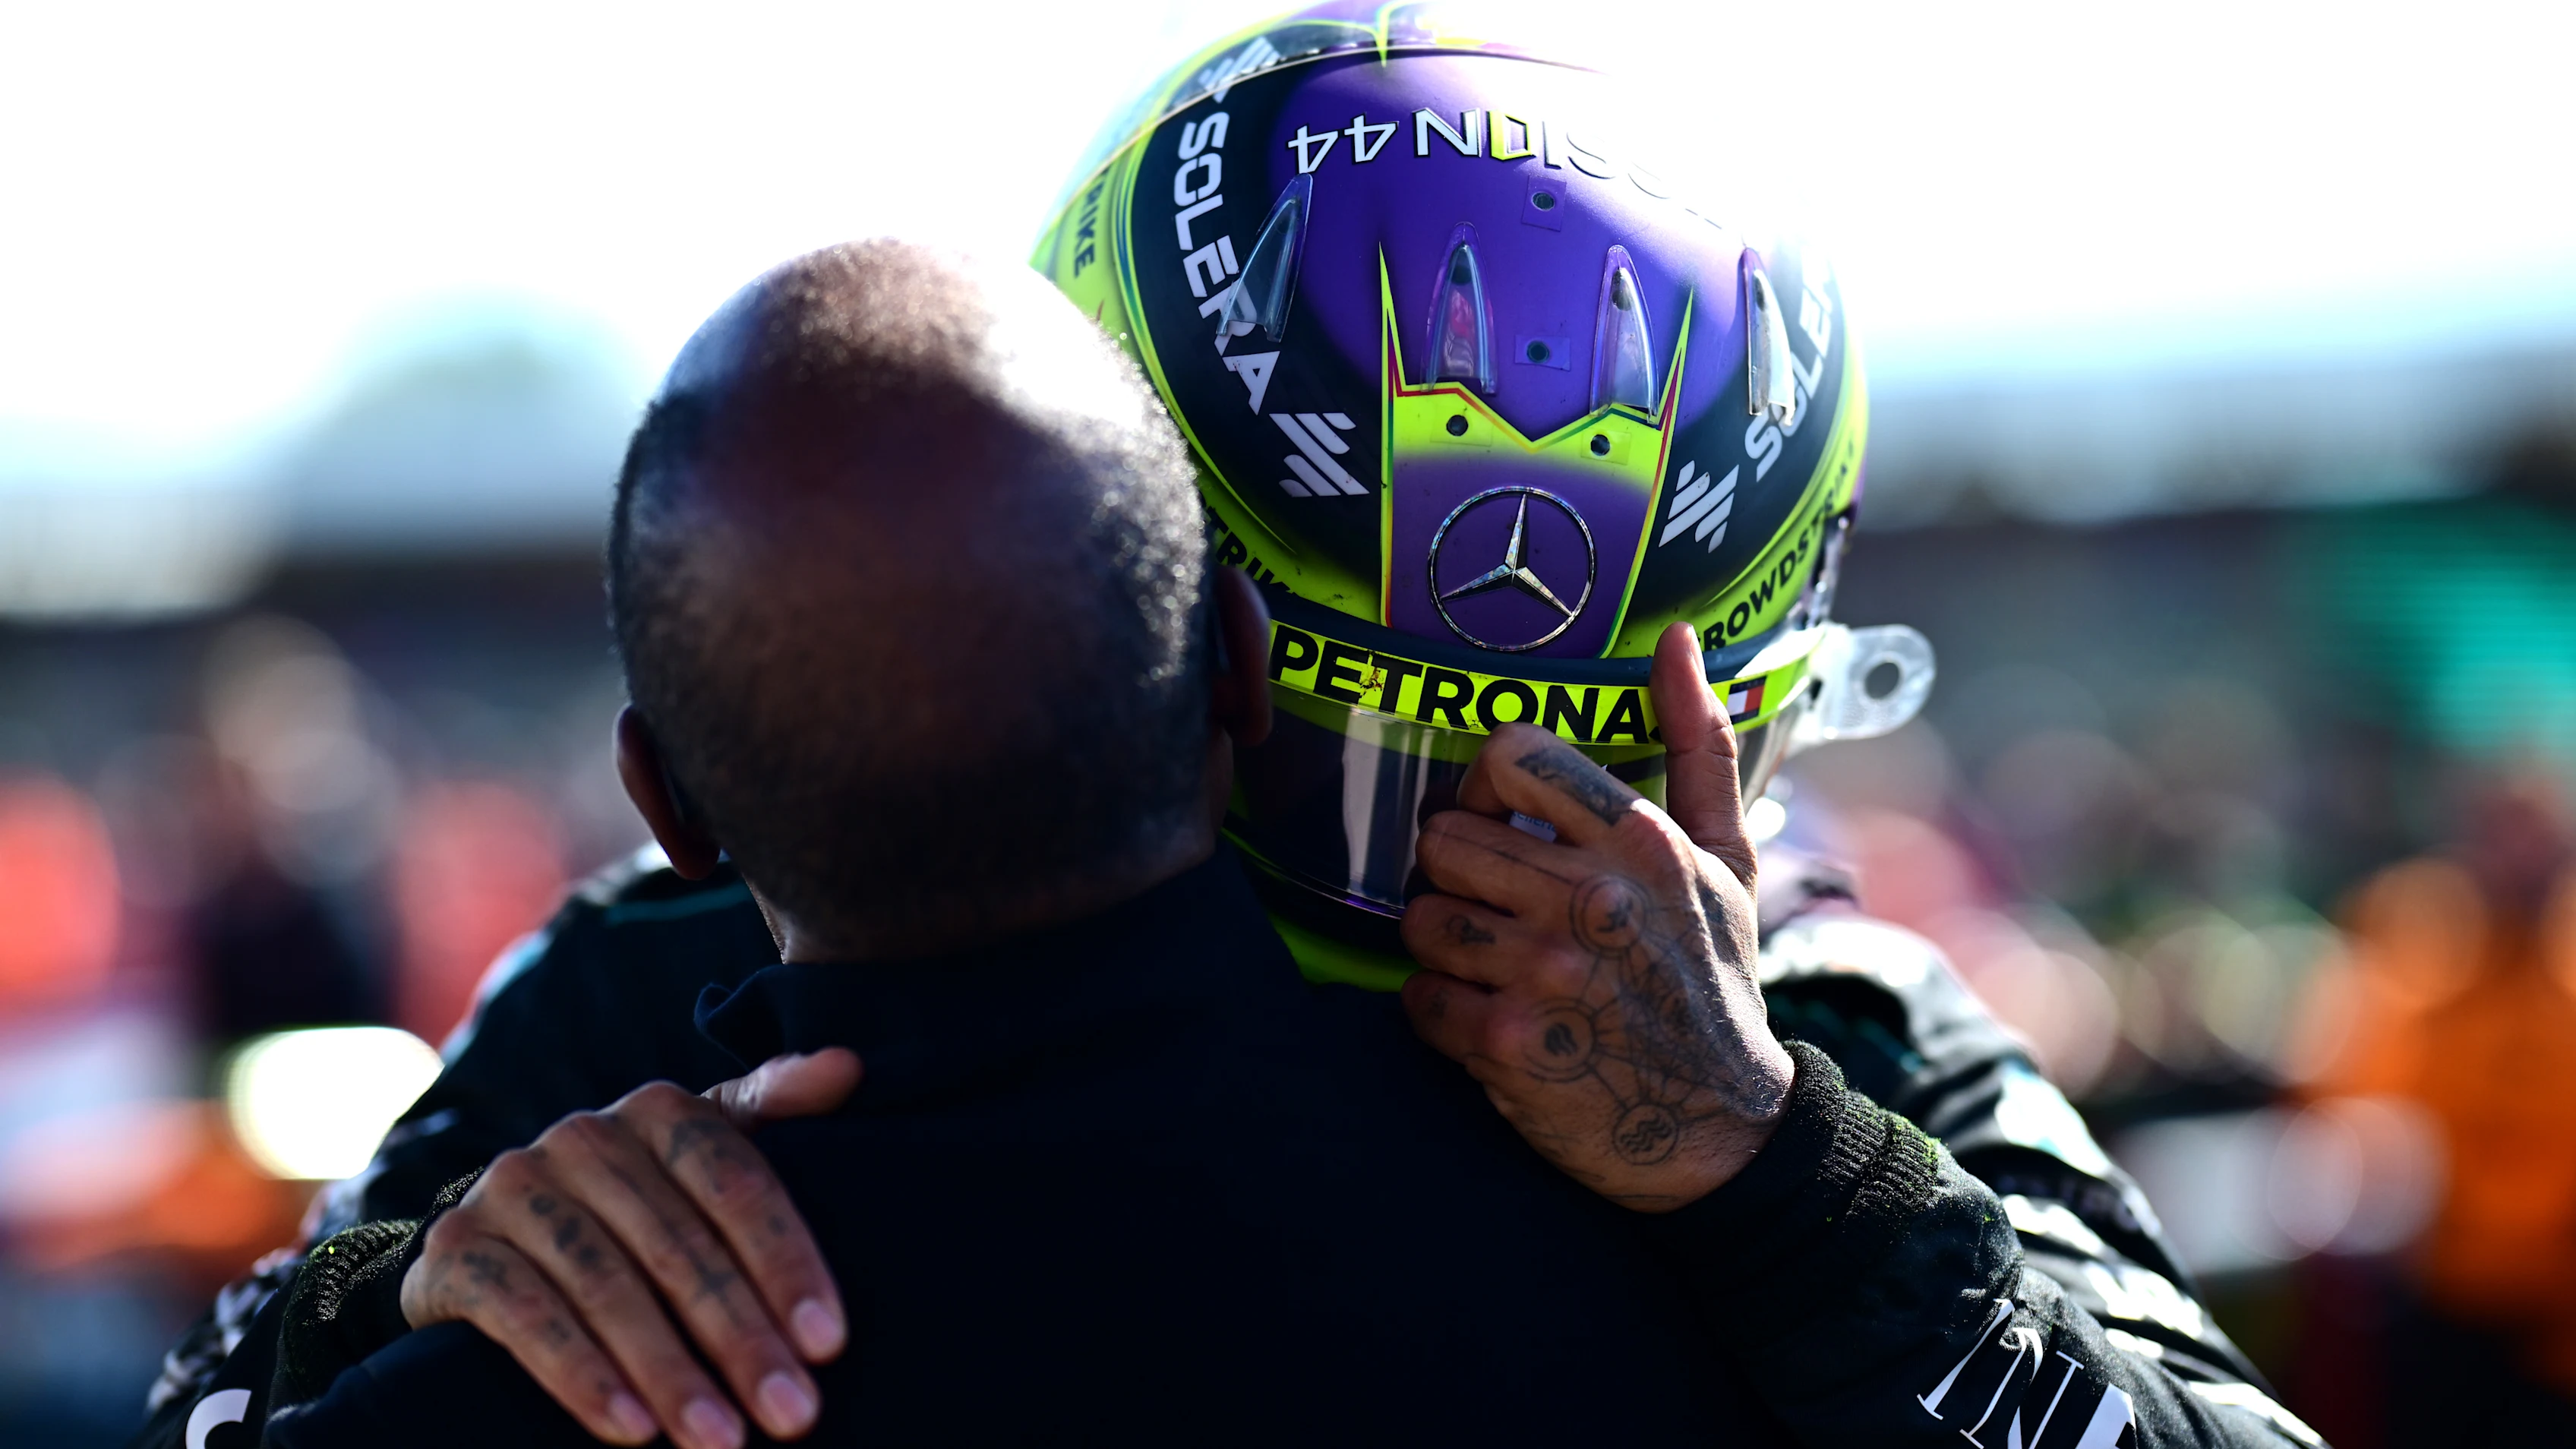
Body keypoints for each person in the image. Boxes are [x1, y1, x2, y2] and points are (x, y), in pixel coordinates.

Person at [137, 8, 2313, 1447]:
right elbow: (211, 1397)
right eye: (1352, 774)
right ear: (1181, 633)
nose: (1440, 876)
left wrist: (1777, 1164)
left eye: (1549, 780)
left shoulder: (1834, 1024)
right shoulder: (675, 963)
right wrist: (424, 1274)